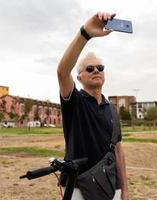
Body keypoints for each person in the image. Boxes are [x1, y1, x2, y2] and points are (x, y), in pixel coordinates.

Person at [57, 12, 129, 200]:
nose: (96, 70)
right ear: (80, 77)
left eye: (100, 68)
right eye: (89, 68)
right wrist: (85, 34)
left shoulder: (111, 109)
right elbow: (62, 72)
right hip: (78, 188)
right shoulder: (74, 102)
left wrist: (125, 190)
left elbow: (119, 152)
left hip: (110, 188)